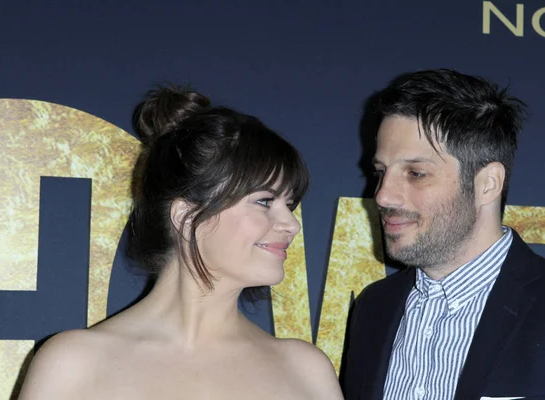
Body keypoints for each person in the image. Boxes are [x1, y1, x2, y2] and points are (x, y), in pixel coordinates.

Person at [19, 85, 343, 400]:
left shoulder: (305, 370)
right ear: (186, 216)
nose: (291, 224)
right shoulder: (73, 364)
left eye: (290, 205)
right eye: (264, 201)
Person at [339, 69, 545, 400]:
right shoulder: (373, 308)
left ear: (487, 183)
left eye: (416, 173)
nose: (382, 196)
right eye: (381, 172)